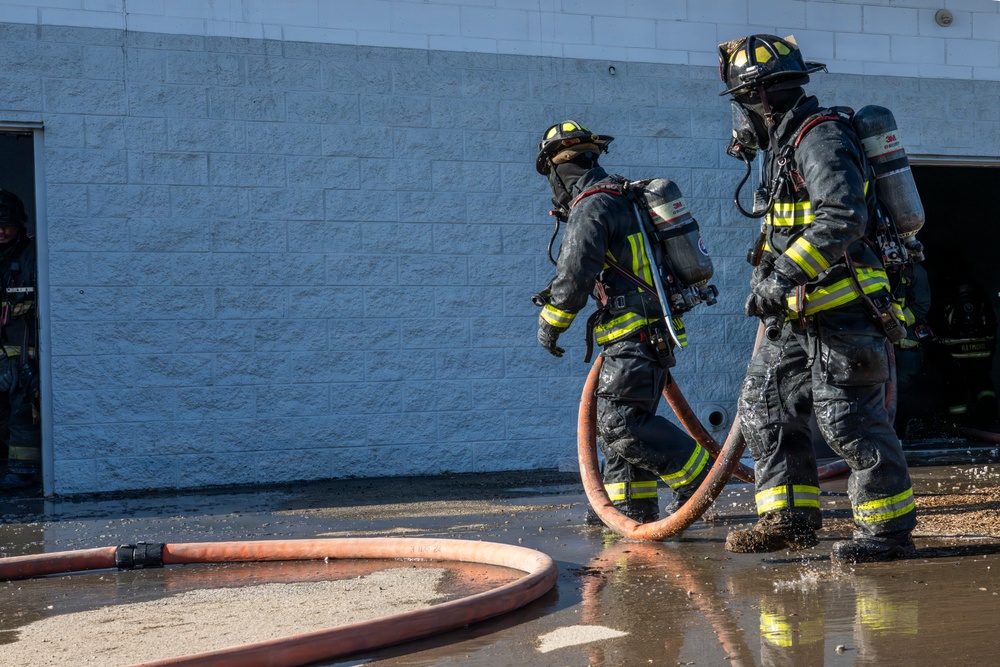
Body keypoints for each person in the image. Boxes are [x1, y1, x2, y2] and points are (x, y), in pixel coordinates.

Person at [717, 35, 917, 563]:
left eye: (740, 104)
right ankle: (789, 521)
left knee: (847, 419)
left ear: (760, 98)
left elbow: (843, 217)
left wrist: (781, 275)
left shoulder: (819, 136)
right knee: (764, 409)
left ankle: (886, 534)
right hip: (794, 315)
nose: (739, 120)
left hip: (844, 308)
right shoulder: (784, 147)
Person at [534, 120, 710, 525]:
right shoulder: (620, 196)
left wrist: (551, 322)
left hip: (635, 332)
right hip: (642, 334)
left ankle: (700, 481)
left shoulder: (593, 204)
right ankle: (630, 515)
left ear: (559, 170)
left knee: (620, 424)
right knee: (620, 437)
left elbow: (576, 270)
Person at [0, 189, 40, 491]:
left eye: (7, 223)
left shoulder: (32, 256)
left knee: (21, 410)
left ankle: (22, 472)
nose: (1, 230)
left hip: (22, 354)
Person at [937, 278, 998, 430]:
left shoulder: (945, 290)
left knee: (955, 388)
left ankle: (958, 425)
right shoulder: (978, 291)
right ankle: (989, 421)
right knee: (984, 386)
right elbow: (992, 323)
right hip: (981, 351)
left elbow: (937, 323)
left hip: (954, 353)